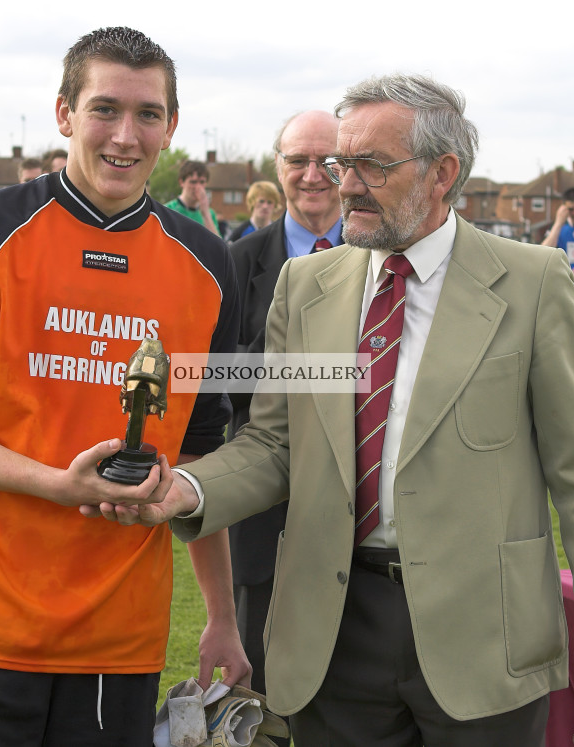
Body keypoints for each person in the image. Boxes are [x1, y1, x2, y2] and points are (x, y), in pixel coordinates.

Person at [89, 73, 574, 746]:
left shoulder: (532, 284)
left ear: (443, 172)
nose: (344, 184)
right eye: (342, 163)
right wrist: (186, 487)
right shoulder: (306, 284)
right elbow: (273, 444)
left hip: (485, 640)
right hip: (333, 634)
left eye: (370, 166)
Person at [0, 26, 248, 745]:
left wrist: (224, 616)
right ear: (63, 114)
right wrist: (58, 484)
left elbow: (201, 451)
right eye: (104, 108)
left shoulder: (207, 263)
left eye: (148, 114)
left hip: (119, 643)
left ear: (171, 127)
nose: (125, 135)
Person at [226, 109, 342, 700]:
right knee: (259, 654)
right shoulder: (238, 262)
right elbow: (215, 376)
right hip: (266, 483)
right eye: (298, 160)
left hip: (359, 486)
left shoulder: (388, 256)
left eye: (328, 160)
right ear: (279, 168)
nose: (313, 174)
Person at [165, 160, 221, 236]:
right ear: (182, 182)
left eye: (202, 182)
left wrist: (206, 214)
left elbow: (218, 245)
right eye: (193, 182)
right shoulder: (167, 210)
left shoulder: (210, 213)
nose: (198, 187)